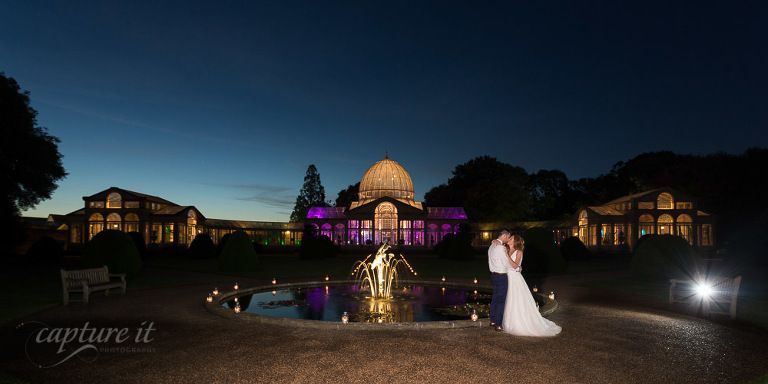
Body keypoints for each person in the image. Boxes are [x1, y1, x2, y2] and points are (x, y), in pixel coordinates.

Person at [502, 234, 562, 337]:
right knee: (509, 300)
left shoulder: (518, 252)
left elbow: (515, 265)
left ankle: (520, 323)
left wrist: (507, 256)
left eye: (511, 238)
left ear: (515, 241)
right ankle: (509, 322)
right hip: (508, 277)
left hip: (515, 279)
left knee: (516, 300)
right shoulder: (507, 250)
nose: (509, 239)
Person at [488, 229, 512, 331]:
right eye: (508, 237)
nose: (508, 239)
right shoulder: (501, 247)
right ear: (504, 236)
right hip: (501, 276)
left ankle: (493, 320)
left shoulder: (492, 245)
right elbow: (507, 263)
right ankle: (498, 324)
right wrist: (517, 268)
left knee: (495, 298)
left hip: (493, 275)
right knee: (501, 300)